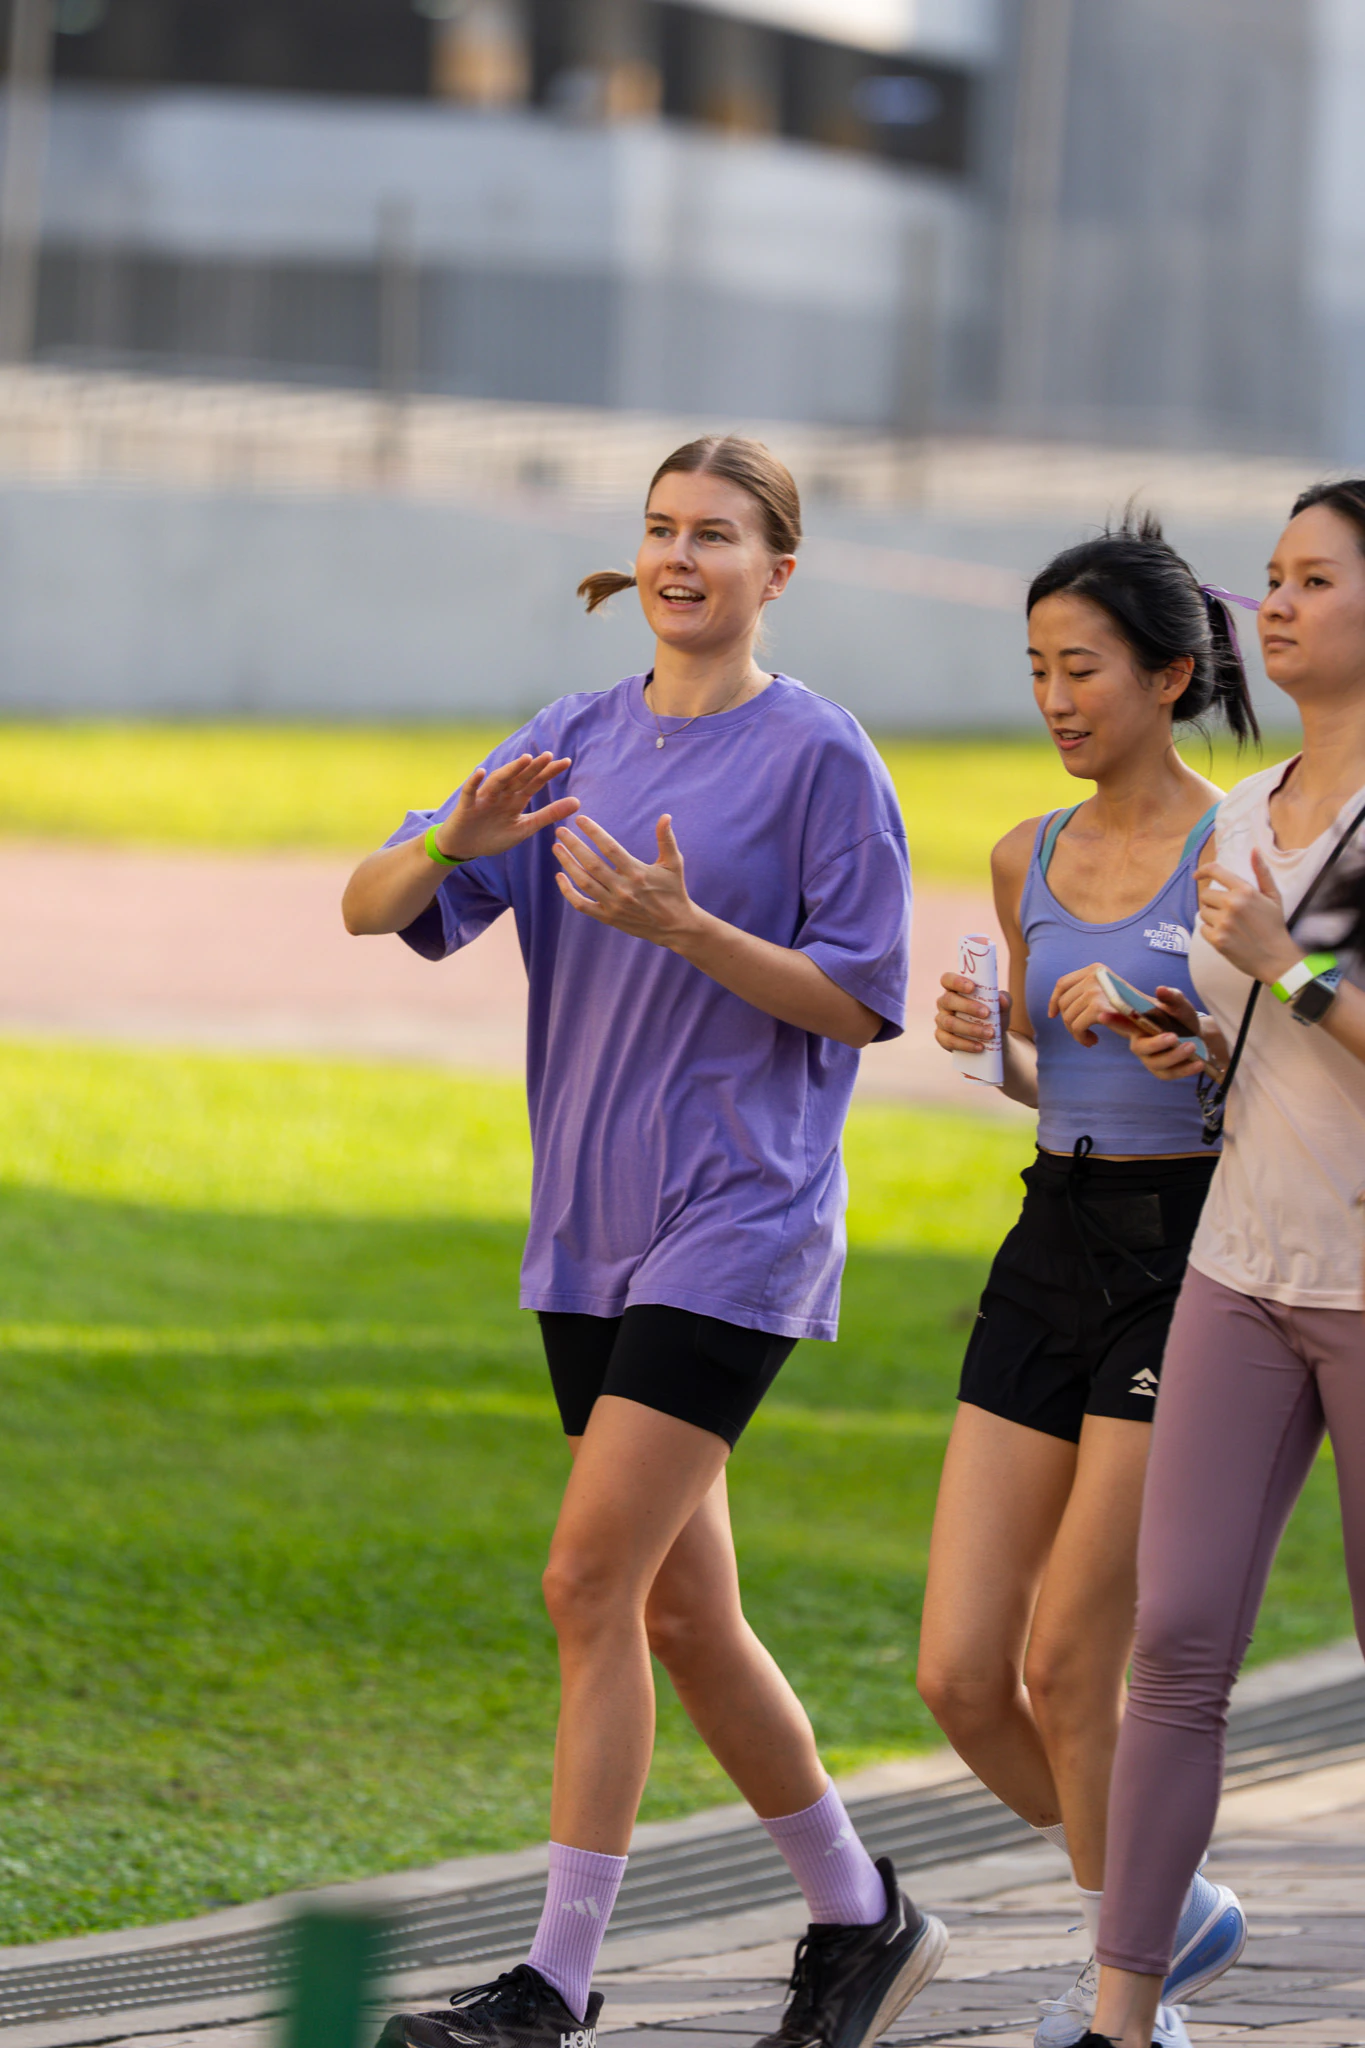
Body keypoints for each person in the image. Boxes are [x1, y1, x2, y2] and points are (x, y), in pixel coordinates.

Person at [342, 435, 947, 2048]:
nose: (683, 557)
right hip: (588, 1233)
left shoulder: (823, 757)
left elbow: (863, 1000)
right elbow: (367, 902)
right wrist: (456, 841)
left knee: (586, 1577)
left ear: (778, 572)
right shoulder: (571, 740)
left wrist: (692, 929)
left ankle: (553, 1978)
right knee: (684, 1615)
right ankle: (862, 1915)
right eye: (664, 529)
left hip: (741, 1218)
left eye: (721, 536)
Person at [919, 514, 1256, 2048]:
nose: (1056, 700)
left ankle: (1135, 1992)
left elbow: (1267, 1079)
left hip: (1189, 1252)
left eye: (1085, 670)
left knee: (1071, 1659)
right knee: (960, 1674)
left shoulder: (1237, 848)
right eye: (1038, 670)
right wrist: (984, 1043)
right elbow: (1047, 1085)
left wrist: (1175, 1031)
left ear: (1169, 674)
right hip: (1050, 1237)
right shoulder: (1024, 856)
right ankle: (1165, 1907)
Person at [1083, 483, 1365, 2048]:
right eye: (1271, 576)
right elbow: (1259, 1041)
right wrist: (1196, 1035)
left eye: (1315, 579)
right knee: (1176, 1640)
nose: (1277, 602)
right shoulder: (1245, 816)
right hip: (1242, 1273)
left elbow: (1310, 992)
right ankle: (1126, 2016)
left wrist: (1289, 971)